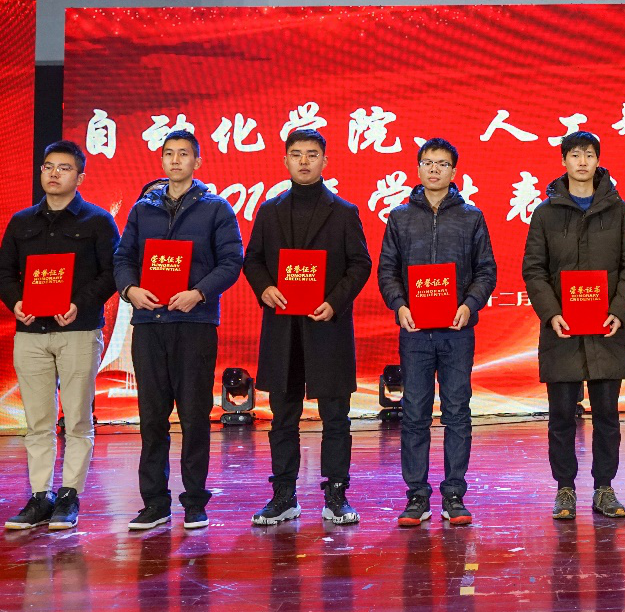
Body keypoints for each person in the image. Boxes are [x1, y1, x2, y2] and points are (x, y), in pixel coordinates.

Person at [113, 130, 243, 531]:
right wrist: (130, 290)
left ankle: (195, 502)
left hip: (194, 324)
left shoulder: (216, 209)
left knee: (194, 416)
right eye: (168, 153)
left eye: (183, 154)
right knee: (151, 418)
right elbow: (123, 258)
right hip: (149, 324)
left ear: (197, 162)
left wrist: (199, 293)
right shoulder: (142, 210)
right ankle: (155, 503)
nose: (175, 160)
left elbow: (232, 261)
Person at [243, 129, 372, 526]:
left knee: (336, 417)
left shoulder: (344, 212)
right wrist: (265, 288)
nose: (303, 161)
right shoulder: (269, 211)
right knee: (283, 417)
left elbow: (360, 264)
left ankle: (337, 495)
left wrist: (334, 302)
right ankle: (284, 495)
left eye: (312, 154)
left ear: (324, 162)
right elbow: (253, 260)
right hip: (283, 330)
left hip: (327, 328)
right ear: (285, 160)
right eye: (296, 154)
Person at [0, 140, 120, 531]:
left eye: (64, 168)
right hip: (30, 331)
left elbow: (112, 273)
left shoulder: (98, 221)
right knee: (38, 421)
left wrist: (80, 303)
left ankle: (69, 495)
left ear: (80, 177)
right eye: (48, 166)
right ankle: (39, 496)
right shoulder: (21, 221)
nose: (54, 173)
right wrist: (15, 302)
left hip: (78, 330)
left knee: (77, 418)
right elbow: (3, 271)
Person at [522, 131, 625, 521]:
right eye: (575, 155)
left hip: (608, 329)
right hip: (562, 330)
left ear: (598, 161)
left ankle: (604, 488)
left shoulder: (619, 210)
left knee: (607, 414)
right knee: (561, 416)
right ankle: (565, 489)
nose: (582, 162)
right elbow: (534, 270)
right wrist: (551, 313)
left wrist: (619, 311)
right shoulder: (546, 213)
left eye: (589, 155)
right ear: (564, 161)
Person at [378, 138, 497, 527]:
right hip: (414, 332)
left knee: (457, 411)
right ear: (418, 169)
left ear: (454, 171)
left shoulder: (471, 217)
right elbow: (387, 270)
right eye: (428, 162)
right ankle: (416, 496)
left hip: (456, 331)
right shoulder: (400, 218)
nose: (434, 169)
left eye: (442, 164)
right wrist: (400, 305)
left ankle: (454, 495)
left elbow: (486, 270)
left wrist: (469, 305)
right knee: (414, 412)